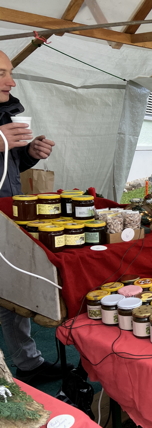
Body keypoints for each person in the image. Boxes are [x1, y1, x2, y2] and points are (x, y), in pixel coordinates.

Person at [0, 50, 71, 384]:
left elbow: (6, 169)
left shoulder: (5, 114)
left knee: (12, 293)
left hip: (5, 216)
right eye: (1, 73)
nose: (11, 82)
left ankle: (28, 363)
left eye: (10, 72)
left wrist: (27, 155)